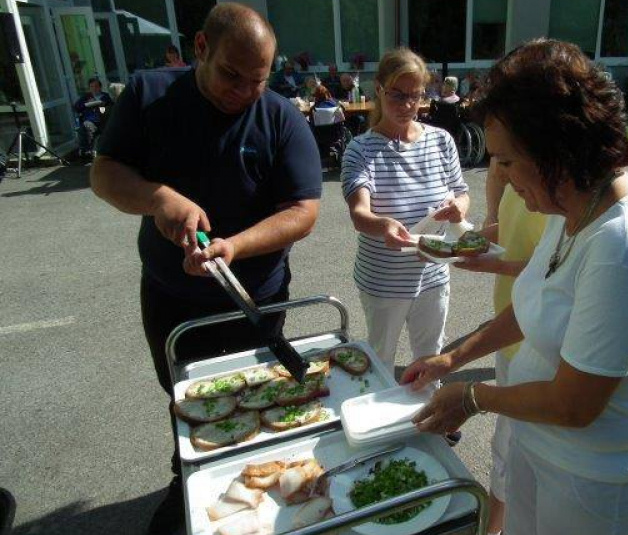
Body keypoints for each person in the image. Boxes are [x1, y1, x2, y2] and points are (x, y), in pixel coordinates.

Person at [402, 39, 628, 535]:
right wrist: (454, 358)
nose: (503, 179)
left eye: (508, 162)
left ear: (556, 148)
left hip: (591, 483)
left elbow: (574, 404)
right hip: (538, 450)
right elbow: (532, 301)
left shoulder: (627, 247)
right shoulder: (569, 208)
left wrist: (472, 397)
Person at [90, 4, 322, 534]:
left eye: (257, 80)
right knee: (186, 396)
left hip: (256, 295)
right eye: (230, 75)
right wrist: (159, 199)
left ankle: (251, 482)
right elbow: (104, 174)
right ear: (200, 48)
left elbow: (303, 211)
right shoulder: (150, 95)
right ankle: (188, 476)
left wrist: (234, 246)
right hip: (172, 296)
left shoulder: (280, 115)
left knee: (254, 391)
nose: (242, 91)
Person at [340, 46, 470, 371]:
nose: (408, 106)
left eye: (416, 95)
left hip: (433, 274)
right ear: (379, 90)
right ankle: (382, 421)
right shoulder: (361, 149)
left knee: (430, 361)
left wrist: (458, 208)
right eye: (398, 95)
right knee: (381, 361)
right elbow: (360, 214)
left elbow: (463, 193)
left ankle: (427, 420)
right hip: (384, 280)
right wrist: (382, 225)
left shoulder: (441, 140)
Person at [453, 159, 547, 534]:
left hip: (536, 341)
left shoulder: (556, 202)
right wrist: (467, 238)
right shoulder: (516, 186)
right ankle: (494, 525)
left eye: (506, 160)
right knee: (506, 444)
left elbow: (551, 270)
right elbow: (503, 229)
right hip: (510, 328)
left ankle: (498, 524)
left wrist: (494, 266)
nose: (498, 169)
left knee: (516, 444)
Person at [73, 77, 113, 157]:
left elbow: (110, 108)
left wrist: (103, 106)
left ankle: (92, 150)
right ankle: (87, 150)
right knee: (86, 126)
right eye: (92, 86)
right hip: (90, 120)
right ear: (89, 88)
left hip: (103, 120)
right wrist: (86, 104)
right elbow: (76, 107)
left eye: (96, 86)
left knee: (104, 129)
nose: (94, 88)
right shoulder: (86, 97)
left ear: (100, 87)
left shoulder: (106, 96)